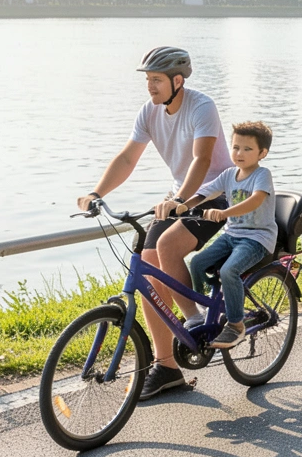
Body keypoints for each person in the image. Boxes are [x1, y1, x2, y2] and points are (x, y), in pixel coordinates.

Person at [76, 47, 232, 399]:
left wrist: (180, 201)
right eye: (147, 80)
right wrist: (96, 192)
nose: (150, 86)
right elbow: (128, 157)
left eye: (156, 80)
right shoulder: (149, 112)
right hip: (179, 197)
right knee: (147, 271)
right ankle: (166, 367)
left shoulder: (201, 106)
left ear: (178, 81)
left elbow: (202, 158)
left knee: (167, 246)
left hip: (216, 195)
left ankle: (192, 318)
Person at [179, 121, 276, 349]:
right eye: (235, 147)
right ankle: (205, 311)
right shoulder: (229, 174)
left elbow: (255, 201)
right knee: (197, 262)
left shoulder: (262, 175)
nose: (239, 153)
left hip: (257, 238)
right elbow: (205, 191)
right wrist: (182, 205)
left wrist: (224, 212)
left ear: (263, 153)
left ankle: (236, 325)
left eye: (247, 149)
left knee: (229, 271)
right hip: (231, 235)